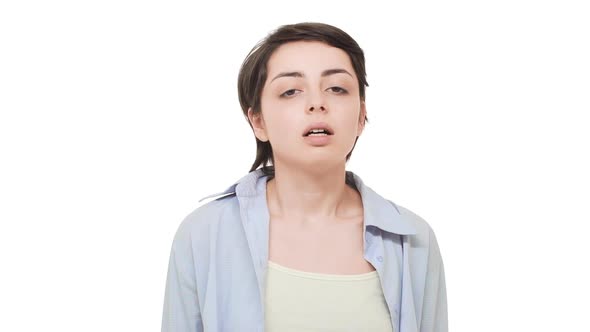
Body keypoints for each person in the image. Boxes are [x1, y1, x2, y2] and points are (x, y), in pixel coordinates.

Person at [161, 22, 448, 332]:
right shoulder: (203, 234)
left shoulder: (413, 241)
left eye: (337, 88)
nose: (317, 103)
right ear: (258, 121)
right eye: (290, 91)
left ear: (361, 116)